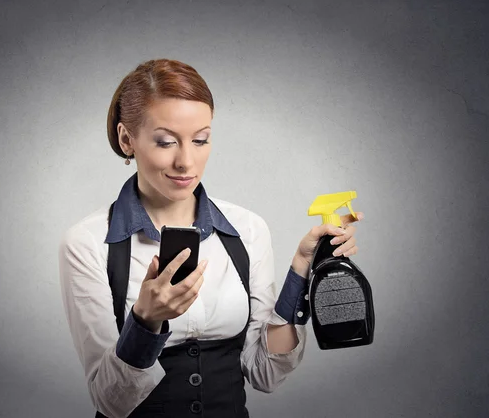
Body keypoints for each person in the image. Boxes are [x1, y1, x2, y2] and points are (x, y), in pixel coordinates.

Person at [58, 58, 363, 418]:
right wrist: (144, 320)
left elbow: (264, 372)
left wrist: (301, 273)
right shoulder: (88, 242)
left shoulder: (247, 229)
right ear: (127, 140)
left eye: (200, 139)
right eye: (166, 141)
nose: (186, 161)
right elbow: (111, 401)